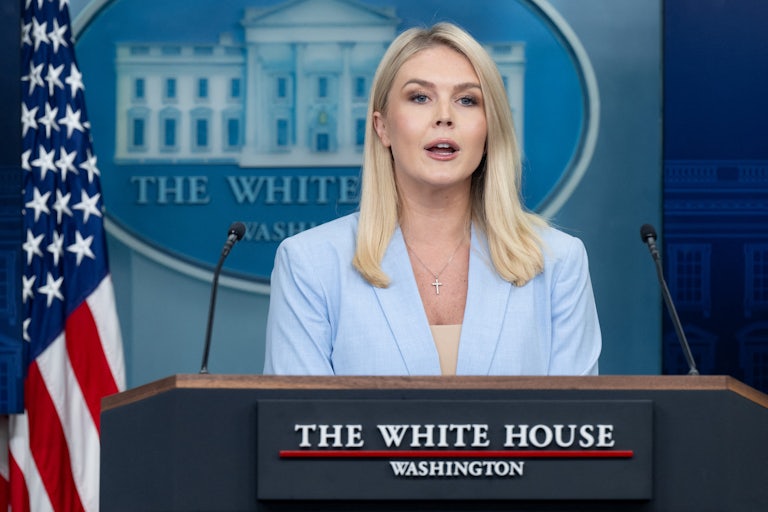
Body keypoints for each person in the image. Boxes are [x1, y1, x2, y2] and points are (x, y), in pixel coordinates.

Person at [263, 22, 601, 376]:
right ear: (383, 127)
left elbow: (576, 426)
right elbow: (297, 425)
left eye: (467, 100)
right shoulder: (310, 264)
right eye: (420, 97)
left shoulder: (559, 262)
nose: (444, 116)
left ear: (489, 129)